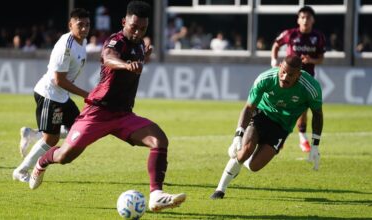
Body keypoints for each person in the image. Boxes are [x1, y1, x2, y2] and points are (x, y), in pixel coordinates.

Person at [28, 1, 186, 212]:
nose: (138, 32)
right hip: (98, 112)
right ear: (124, 22)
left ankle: (156, 195)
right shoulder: (115, 41)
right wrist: (126, 65)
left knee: (159, 139)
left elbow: (135, 61)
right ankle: (42, 163)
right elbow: (109, 58)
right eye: (134, 27)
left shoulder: (139, 45)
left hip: (122, 115)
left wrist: (143, 57)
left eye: (143, 28)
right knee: (65, 157)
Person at [210, 55, 323, 199]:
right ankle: (220, 189)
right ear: (280, 66)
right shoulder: (265, 78)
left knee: (254, 166)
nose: (284, 77)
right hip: (261, 115)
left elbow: (317, 115)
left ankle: (238, 163)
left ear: (299, 75)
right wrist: (238, 136)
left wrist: (315, 145)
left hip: (282, 126)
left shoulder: (311, 87)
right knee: (245, 150)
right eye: (283, 72)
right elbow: (249, 107)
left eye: (290, 75)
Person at [12, 8, 90, 182]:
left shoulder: (81, 42)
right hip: (50, 95)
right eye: (80, 25)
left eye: (87, 25)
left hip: (61, 95)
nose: (84, 28)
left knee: (78, 129)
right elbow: (58, 80)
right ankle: (21, 170)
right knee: (51, 140)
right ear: (71, 25)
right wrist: (86, 94)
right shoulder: (66, 47)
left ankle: (32, 134)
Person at [270, 6, 325, 153]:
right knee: (281, 106)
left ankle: (302, 138)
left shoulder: (318, 37)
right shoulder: (290, 34)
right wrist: (274, 61)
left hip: (305, 79)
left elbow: (321, 59)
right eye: (303, 17)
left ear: (313, 20)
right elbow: (276, 44)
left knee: (302, 109)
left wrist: (311, 59)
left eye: (308, 17)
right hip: (287, 78)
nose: (305, 20)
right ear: (298, 19)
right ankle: (279, 137)